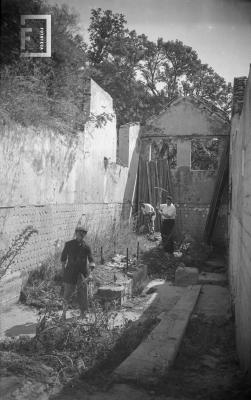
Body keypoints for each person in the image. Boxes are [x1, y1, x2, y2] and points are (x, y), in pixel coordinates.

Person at [61, 225, 95, 320]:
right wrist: (63, 271)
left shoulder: (87, 247)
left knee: (83, 294)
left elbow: (91, 260)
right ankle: (63, 314)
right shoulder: (69, 244)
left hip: (82, 274)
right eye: (79, 232)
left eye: (83, 233)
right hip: (70, 272)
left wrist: (90, 273)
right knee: (67, 294)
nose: (81, 235)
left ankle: (83, 314)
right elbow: (63, 259)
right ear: (76, 233)